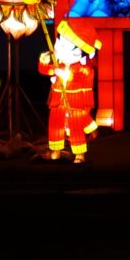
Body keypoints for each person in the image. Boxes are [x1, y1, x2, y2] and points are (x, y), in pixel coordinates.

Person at [38, 19, 100, 163]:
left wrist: (67, 75)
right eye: (60, 43)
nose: (61, 47)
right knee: (55, 126)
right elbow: (45, 70)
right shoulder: (58, 63)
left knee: (76, 127)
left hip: (75, 101)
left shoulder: (84, 67)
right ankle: (55, 151)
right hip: (57, 100)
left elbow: (83, 75)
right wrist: (43, 62)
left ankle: (79, 154)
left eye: (68, 45)